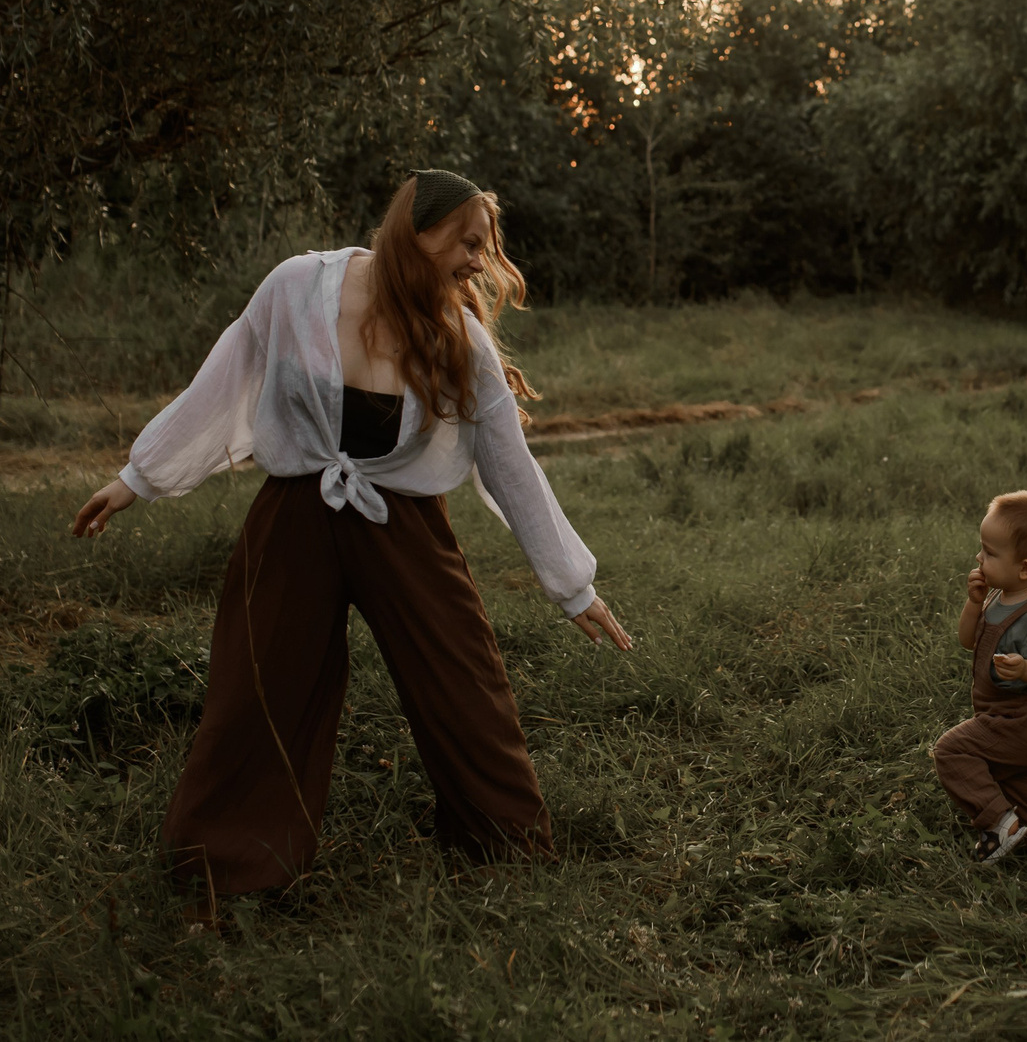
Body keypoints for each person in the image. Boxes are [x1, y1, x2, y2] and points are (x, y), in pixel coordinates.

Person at [70, 169, 630, 906]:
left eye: (484, 248)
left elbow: (510, 467)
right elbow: (228, 372)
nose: (477, 262)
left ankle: (506, 851)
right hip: (295, 520)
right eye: (467, 242)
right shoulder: (300, 286)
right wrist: (138, 477)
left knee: (465, 681)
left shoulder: (461, 337)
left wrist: (573, 585)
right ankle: (229, 869)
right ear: (416, 229)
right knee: (259, 686)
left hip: (406, 530)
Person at [933, 490, 1027, 861]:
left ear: (1024, 568)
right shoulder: (998, 595)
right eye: (982, 548)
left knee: (951, 750)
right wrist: (974, 603)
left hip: (1025, 722)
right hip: (1016, 724)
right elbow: (967, 640)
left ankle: (999, 823)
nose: (979, 558)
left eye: (990, 553)